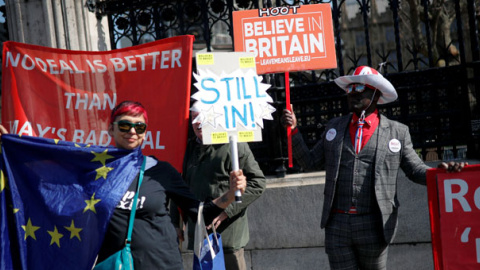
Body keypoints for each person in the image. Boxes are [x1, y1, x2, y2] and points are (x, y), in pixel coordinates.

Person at [0, 100, 247, 270]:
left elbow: (199, 213)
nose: (132, 131)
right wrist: (11, 146)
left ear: (145, 132)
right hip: (116, 264)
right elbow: (51, 183)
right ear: (111, 128)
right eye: (125, 125)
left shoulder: (161, 171)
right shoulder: (94, 170)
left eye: (139, 126)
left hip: (161, 264)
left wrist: (229, 194)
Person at [281, 66, 468, 270]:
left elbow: (415, 170)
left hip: (375, 225)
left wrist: (443, 174)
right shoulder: (334, 127)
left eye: (359, 88)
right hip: (337, 225)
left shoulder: (397, 132)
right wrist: (293, 131)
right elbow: (309, 162)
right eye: (349, 89)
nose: (352, 93)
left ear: (376, 94)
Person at [170, 105, 266, 270]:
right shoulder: (186, 148)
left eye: (202, 117)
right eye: (194, 118)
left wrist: (226, 212)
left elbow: (257, 182)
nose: (198, 123)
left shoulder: (233, 144)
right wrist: (175, 222)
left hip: (227, 238)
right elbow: (178, 186)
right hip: (199, 235)